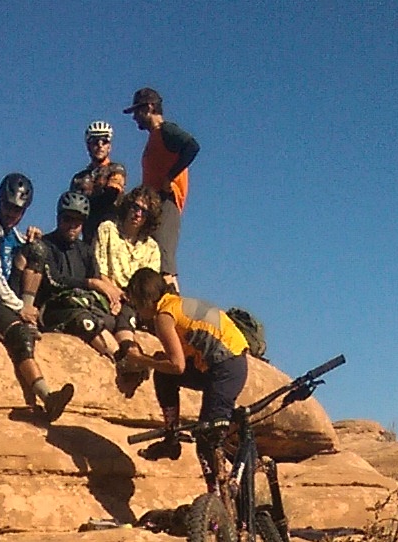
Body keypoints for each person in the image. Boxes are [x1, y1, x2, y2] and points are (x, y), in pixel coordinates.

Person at [0, 174, 74, 424]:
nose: (12, 214)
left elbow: (32, 254)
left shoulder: (13, 234)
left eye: (18, 210)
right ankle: (47, 396)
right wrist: (20, 307)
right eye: (8, 206)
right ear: (0, 201)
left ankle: (29, 316)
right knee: (19, 335)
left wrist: (34, 239)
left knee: (38, 249)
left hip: (5, 299)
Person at [121, 269, 250, 462]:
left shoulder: (164, 316)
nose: (137, 311)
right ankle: (171, 439)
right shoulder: (176, 303)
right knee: (164, 374)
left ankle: (221, 482)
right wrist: (157, 361)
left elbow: (177, 366)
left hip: (225, 368)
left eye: (136, 305)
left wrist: (140, 359)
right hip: (229, 363)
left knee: (207, 439)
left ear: (145, 301)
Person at [15, 190, 129, 363]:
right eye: (67, 219)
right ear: (58, 218)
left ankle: (132, 354)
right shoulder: (45, 245)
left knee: (125, 313)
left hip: (85, 304)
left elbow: (97, 281)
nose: (72, 225)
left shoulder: (85, 251)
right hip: (54, 309)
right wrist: (89, 283)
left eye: (78, 221)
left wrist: (113, 301)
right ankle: (121, 361)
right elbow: (54, 280)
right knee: (84, 320)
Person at [125, 87, 198, 289]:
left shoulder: (166, 130)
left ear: (149, 108)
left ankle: (172, 303)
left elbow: (192, 146)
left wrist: (169, 177)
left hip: (166, 201)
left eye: (137, 111)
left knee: (164, 260)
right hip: (155, 204)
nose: (135, 118)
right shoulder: (155, 137)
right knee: (154, 258)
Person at [94, 186, 165, 293]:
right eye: (136, 207)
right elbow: (99, 272)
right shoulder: (107, 230)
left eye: (144, 212)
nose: (138, 214)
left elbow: (150, 287)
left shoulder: (152, 248)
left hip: (137, 300)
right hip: (106, 293)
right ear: (128, 206)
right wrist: (116, 293)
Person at [68, 120, 114, 199]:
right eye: (95, 142)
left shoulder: (115, 169)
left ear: (109, 147)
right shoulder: (79, 178)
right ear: (89, 147)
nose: (100, 145)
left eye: (104, 141)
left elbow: (112, 194)